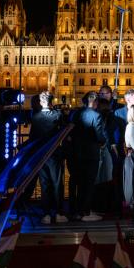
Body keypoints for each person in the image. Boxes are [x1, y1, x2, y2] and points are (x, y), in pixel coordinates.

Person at [70, 91, 108, 222]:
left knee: (79, 183)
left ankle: (77, 211)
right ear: (95, 102)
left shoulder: (76, 114)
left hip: (76, 153)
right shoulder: (96, 115)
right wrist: (103, 142)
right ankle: (86, 212)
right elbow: (99, 135)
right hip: (91, 154)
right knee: (89, 183)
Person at [30, 91, 67, 224]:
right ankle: (58, 212)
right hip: (55, 154)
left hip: (40, 154)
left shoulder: (35, 117)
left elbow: (32, 138)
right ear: (52, 101)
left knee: (44, 184)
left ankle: (45, 213)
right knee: (57, 183)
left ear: (41, 102)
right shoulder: (57, 115)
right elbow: (64, 132)